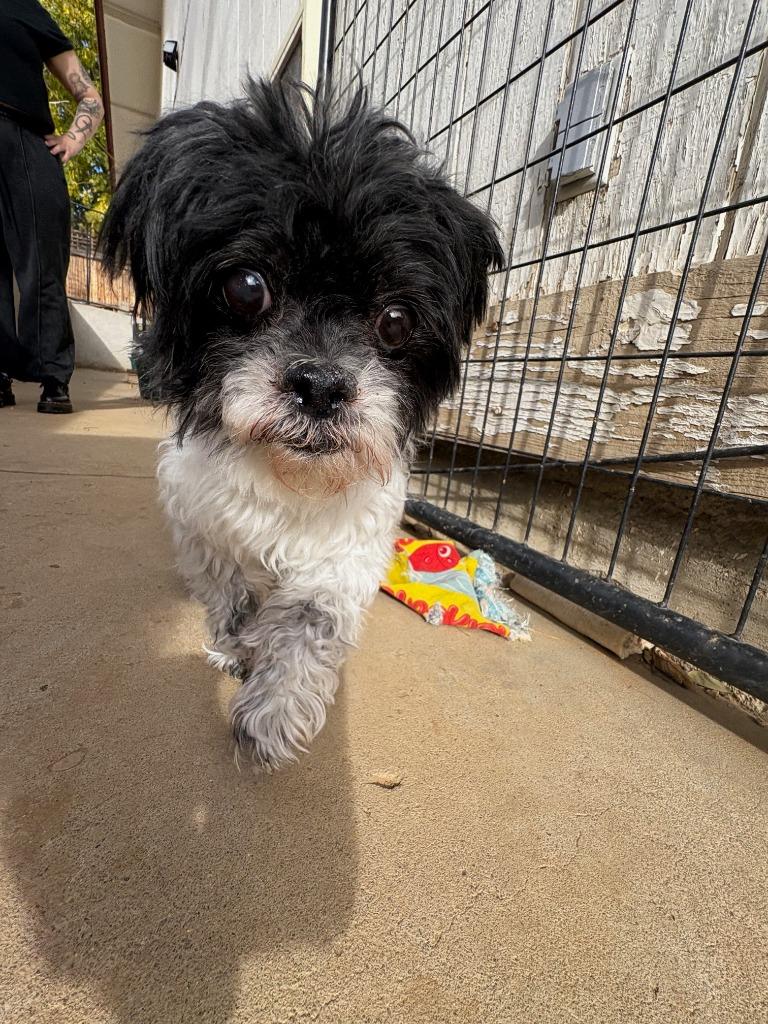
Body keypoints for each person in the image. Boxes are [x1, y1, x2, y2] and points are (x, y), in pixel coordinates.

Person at [0, 0, 104, 414]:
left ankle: (53, 377)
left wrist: (74, 139)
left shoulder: (27, 10)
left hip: (24, 139)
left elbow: (88, 95)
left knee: (42, 262)